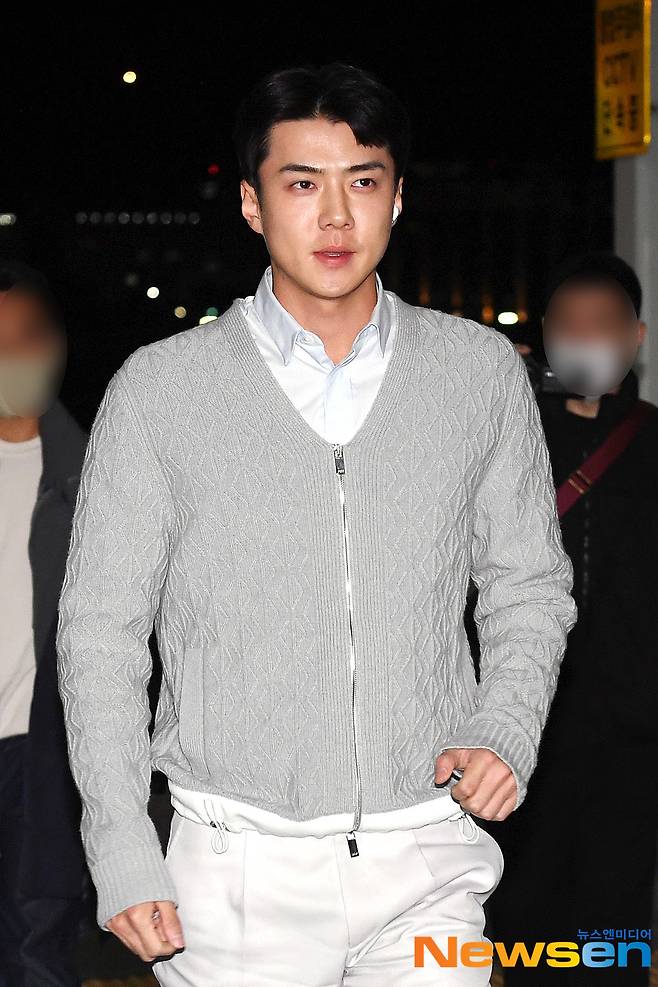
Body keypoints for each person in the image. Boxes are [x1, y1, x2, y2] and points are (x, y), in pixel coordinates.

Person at [55, 62, 577, 986]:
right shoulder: (160, 390)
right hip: (235, 865)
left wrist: (504, 724)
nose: (336, 216)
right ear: (252, 203)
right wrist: (121, 840)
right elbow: (101, 634)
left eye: (362, 181)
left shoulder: (478, 372)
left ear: (397, 196)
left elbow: (529, 585)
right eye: (301, 184)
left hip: (431, 851)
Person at [484, 252, 658, 986]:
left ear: (636, 337)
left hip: (633, 738)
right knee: (523, 928)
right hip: (527, 733)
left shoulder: (652, 440)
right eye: (569, 324)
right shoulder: (507, 440)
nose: (585, 338)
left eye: (603, 323)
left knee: (615, 933)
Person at [0, 261, 89, 987]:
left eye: (26, 336)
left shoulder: (96, 473)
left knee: (38, 949)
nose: (14, 358)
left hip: (41, 755)